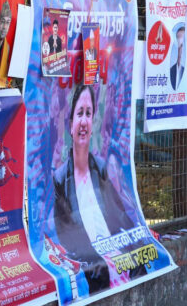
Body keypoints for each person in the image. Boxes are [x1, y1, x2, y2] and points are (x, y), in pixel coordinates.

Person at [53, 84, 144, 294]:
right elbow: (66, 235)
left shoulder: (101, 168)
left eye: (88, 114)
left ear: (93, 122)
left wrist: (140, 239)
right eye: (79, 114)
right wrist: (97, 258)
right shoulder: (60, 179)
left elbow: (120, 215)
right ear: (71, 124)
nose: (84, 121)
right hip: (91, 261)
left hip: (115, 251)